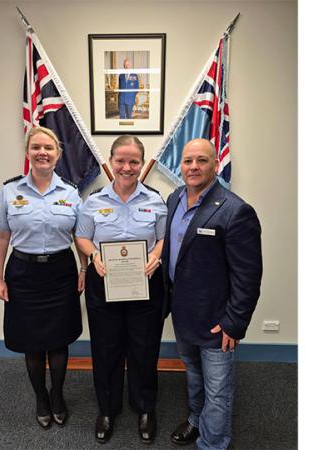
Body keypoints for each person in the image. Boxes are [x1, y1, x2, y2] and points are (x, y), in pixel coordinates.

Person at [161, 138, 263, 450]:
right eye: (188, 161)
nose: (193, 167)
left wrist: (234, 321)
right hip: (184, 312)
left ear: (216, 164)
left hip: (217, 320)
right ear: (181, 165)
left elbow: (248, 276)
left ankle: (213, 443)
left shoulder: (235, 211)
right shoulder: (175, 198)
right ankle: (196, 419)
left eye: (202, 160)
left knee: (218, 390)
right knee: (193, 373)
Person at [0, 126, 87, 430]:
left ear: (58, 154)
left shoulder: (70, 192)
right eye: (36, 147)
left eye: (48, 148)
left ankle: (57, 395)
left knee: (58, 340)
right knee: (32, 342)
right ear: (28, 152)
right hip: (23, 273)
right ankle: (41, 397)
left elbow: (80, 236)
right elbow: (0, 237)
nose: (42, 152)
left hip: (60, 272)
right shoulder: (10, 191)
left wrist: (84, 270)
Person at [75, 135, 167, 444]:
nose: (127, 167)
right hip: (104, 284)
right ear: (112, 161)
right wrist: (94, 255)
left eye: (133, 161)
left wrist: (156, 256)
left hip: (145, 284)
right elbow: (82, 237)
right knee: (106, 349)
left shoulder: (155, 200)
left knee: (144, 349)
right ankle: (107, 409)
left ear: (141, 163)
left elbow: (163, 238)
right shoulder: (94, 201)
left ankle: (144, 407)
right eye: (121, 161)